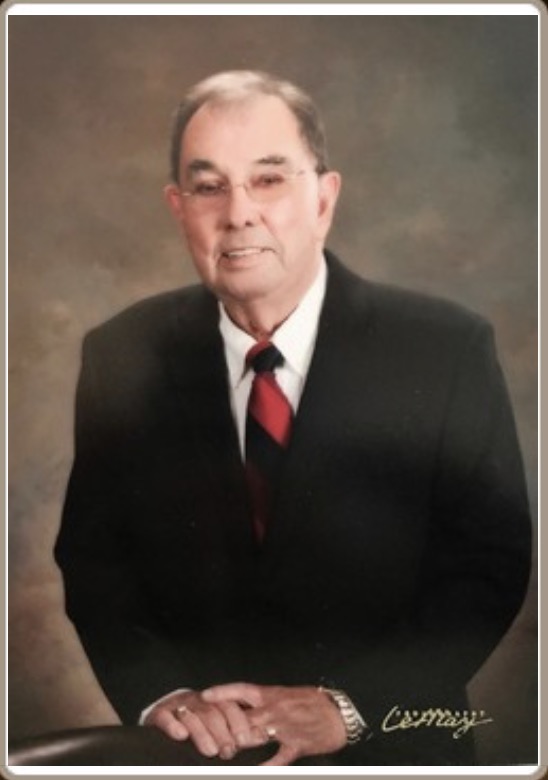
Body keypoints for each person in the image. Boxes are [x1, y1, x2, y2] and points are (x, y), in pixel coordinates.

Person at [54, 70, 532, 766]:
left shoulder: (443, 348)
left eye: (269, 180)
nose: (238, 213)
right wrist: (162, 695)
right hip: (199, 757)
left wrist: (351, 708)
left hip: (396, 752)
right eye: (209, 186)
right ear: (178, 207)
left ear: (324, 199)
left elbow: (489, 565)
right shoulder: (121, 353)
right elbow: (95, 563)